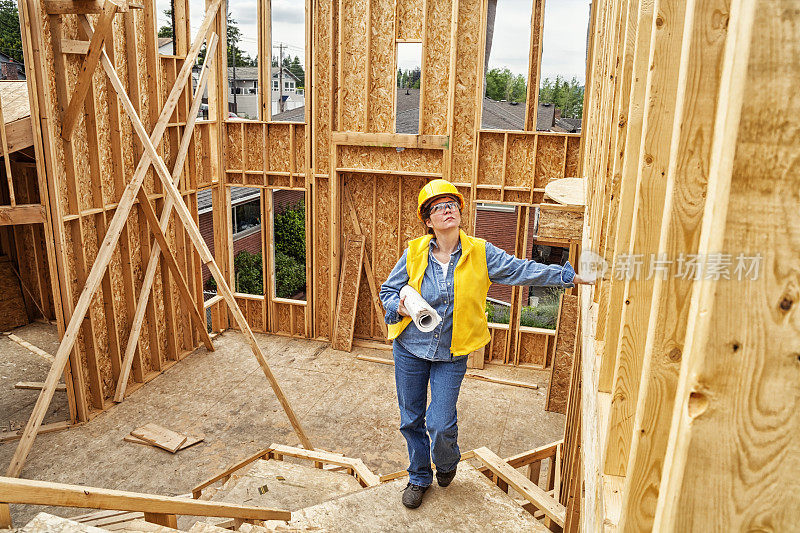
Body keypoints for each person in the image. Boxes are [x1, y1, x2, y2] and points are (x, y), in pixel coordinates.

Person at [379, 179, 592, 509]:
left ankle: (447, 464)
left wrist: (567, 276)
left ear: (460, 212)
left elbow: (521, 270)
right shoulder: (414, 252)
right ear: (427, 219)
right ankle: (419, 476)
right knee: (411, 419)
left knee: (440, 423)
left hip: (452, 352)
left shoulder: (480, 252)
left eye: (451, 204)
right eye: (438, 207)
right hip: (410, 348)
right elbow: (388, 293)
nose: (447, 210)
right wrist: (404, 306)